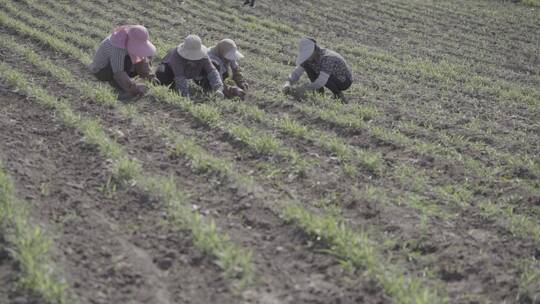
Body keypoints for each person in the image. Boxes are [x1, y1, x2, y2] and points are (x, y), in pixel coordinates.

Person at [89, 25, 158, 98]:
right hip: (101, 70)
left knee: (142, 56)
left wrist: (150, 76)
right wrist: (133, 88)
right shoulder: (118, 48)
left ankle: (126, 81)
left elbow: (141, 58)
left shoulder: (128, 38)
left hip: (115, 66)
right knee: (127, 63)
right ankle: (119, 87)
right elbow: (118, 72)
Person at [282, 37, 353, 102]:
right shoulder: (308, 59)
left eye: (308, 54)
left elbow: (322, 80)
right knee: (308, 66)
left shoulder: (328, 58)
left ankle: (339, 95)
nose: (307, 57)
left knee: (324, 75)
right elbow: (296, 73)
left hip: (344, 81)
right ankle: (320, 93)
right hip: (328, 76)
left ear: (314, 50)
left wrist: (305, 89)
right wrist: (287, 84)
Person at [156, 35, 224, 99]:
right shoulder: (176, 56)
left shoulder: (203, 56)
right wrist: (185, 95)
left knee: (215, 64)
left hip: (193, 71)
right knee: (161, 75)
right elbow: (180, 76)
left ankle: (208, 89)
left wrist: (218, 88)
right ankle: (173, 85)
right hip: (172, 71)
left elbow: (212, 71)